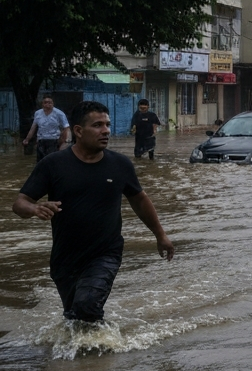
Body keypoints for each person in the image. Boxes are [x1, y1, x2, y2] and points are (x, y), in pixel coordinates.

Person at [12, 100, 175, 324]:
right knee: (74, 318)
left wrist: (161, 235)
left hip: (105, 254)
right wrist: (34, 208)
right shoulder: (53, 164)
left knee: (87, 304)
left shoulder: (119, 165)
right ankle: (95, 351)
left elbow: (139, 200)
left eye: (107, 124)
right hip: (64, 257)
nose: (106, 130)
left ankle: (105, 352)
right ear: (78, 131)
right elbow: (19, 203)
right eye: (97, 125)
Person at [21, 96, 70, 163]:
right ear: (42, 104)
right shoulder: (37, 113)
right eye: (45, 103)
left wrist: (65, 142)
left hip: (54, 141)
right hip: (41, 140)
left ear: (53, 104)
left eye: (50, 103)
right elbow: (33, 127)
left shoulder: (59, 113)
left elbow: (66, 128)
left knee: (51, 161)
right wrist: (27, 139)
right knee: (40, 162)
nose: (47, 105)